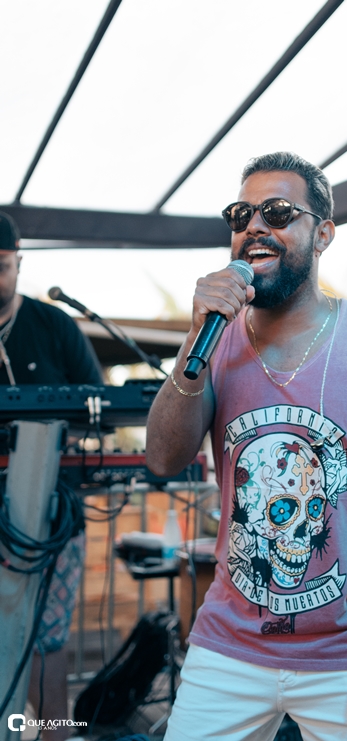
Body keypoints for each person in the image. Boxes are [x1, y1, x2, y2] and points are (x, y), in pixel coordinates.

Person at [146, 152, 347, 741]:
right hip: (228, 647)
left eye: (278, 212)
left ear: (323, 234)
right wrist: (195, 336)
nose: (254, 226)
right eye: (241, 215)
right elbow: (163, 458)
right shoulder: (213, 342)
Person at [0, 211, 103, 740]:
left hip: (54, 509)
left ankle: (54, 735)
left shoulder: (53, 325)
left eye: (1, 265)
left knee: (49, 639)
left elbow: (99, 407)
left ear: (19, 263)